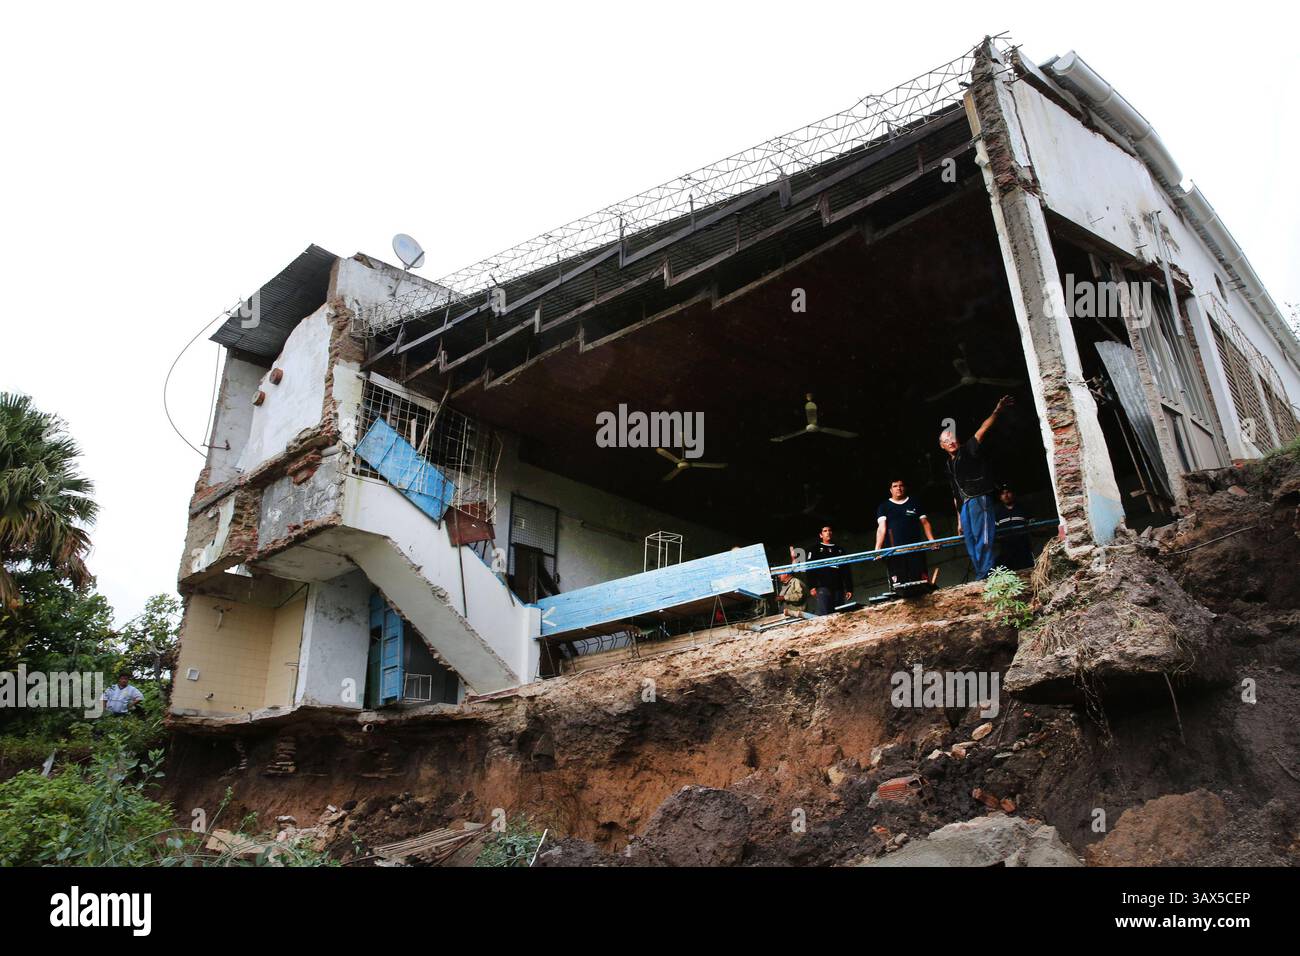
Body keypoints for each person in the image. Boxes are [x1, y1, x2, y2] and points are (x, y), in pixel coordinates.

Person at [940, 395, 1014, 581]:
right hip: (964, 505)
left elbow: (983, 429)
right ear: (942, 446)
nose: (951, 442)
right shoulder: (949, 465)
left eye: (953, 438)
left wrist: (997, 410)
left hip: (979, 498)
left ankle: (987, 573)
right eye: (947, 440)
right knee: (971, 541)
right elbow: (954, 492)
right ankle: (981, 573)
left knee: (984, 537)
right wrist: (958, 520)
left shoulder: (968, 450)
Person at [875, 479, 936, 586]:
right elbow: (881, 528)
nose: (898, 488)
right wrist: (877, 549)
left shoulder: (914, 502)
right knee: (900, 585)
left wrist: (932, 541)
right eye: (895, 486)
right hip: (895, 552)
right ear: (890, 489)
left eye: (901, 485)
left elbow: (925, 523)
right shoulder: (884, 506)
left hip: (915, 549)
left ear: (905, 487)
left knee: (921, 582)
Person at [807, 525, 852, 615]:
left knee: (840, 613)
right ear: (821, 535)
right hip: (823, 587)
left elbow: (846, 570)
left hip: (838, 587)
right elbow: (810, 569)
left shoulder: (839, 549)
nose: (828, 532)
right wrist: (812, 586)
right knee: (825, 614)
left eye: (829, 530)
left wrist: (849, 588)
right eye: (825, 531)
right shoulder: (815, 549)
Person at [994, 486, 1035, 571]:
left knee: (1027, 570)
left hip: (1023, 548)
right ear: (1000, 497)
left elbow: (1033, 525)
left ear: (1013, 494)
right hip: (1006, 549)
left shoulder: (1022, 508)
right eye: (1003, 493)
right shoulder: (997, 512)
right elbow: (995, 532)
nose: (1006, 495)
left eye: (1008, 492)